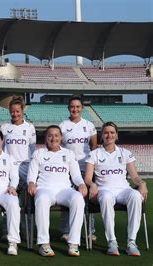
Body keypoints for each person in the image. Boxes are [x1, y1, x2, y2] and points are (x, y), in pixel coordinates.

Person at [84, 121, 148, 256]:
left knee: (136, 196)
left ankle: (131, 241)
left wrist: (142, 184)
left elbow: (134, 177)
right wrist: (93, 185)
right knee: (106, 198)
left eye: (112, 132)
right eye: (106, 132)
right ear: (102, 135)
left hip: (123, 189)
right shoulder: (95, 154)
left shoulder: (125, 153)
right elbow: (88, 179)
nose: (109, 135)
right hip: (104, 190)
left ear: (117, 135)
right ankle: (112, 241)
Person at [27, 125, 87, 257]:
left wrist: (81, 184)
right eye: (50, 135)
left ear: (61, 138)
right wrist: (31, 183)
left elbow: (76, 175)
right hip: (44, 189)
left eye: (56, 135)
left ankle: (73, 243)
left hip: (64, 190)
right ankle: (44, 244)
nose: (53, 138)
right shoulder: (38, 153)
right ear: (45, 138)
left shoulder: (69, 153)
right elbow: (31, 175)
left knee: (78, 198)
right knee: (41, 199)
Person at [59, 96, 97, 242]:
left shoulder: (89, 125)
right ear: (69, 108)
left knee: (88, 200)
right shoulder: (63, 125)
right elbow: (59, 146)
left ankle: (89, 230)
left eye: (78, 107)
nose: (75, 109)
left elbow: (93, 146)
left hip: (85, 169)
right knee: (66, 200)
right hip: (67, 170)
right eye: (72, 107)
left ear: (82, 108)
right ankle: (65, 230)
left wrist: (90, 167)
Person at [0, 96, 36, 240]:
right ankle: (6, 231)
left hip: (25, 167)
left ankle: (28, 231)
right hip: (9, 169)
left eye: (17, 111)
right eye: (12, 112)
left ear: (22, 111)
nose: (15, 114)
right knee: (8, 200)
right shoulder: (4, 127)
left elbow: (33, 150)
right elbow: (2, 150)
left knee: (27, 202)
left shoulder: (29, 127)